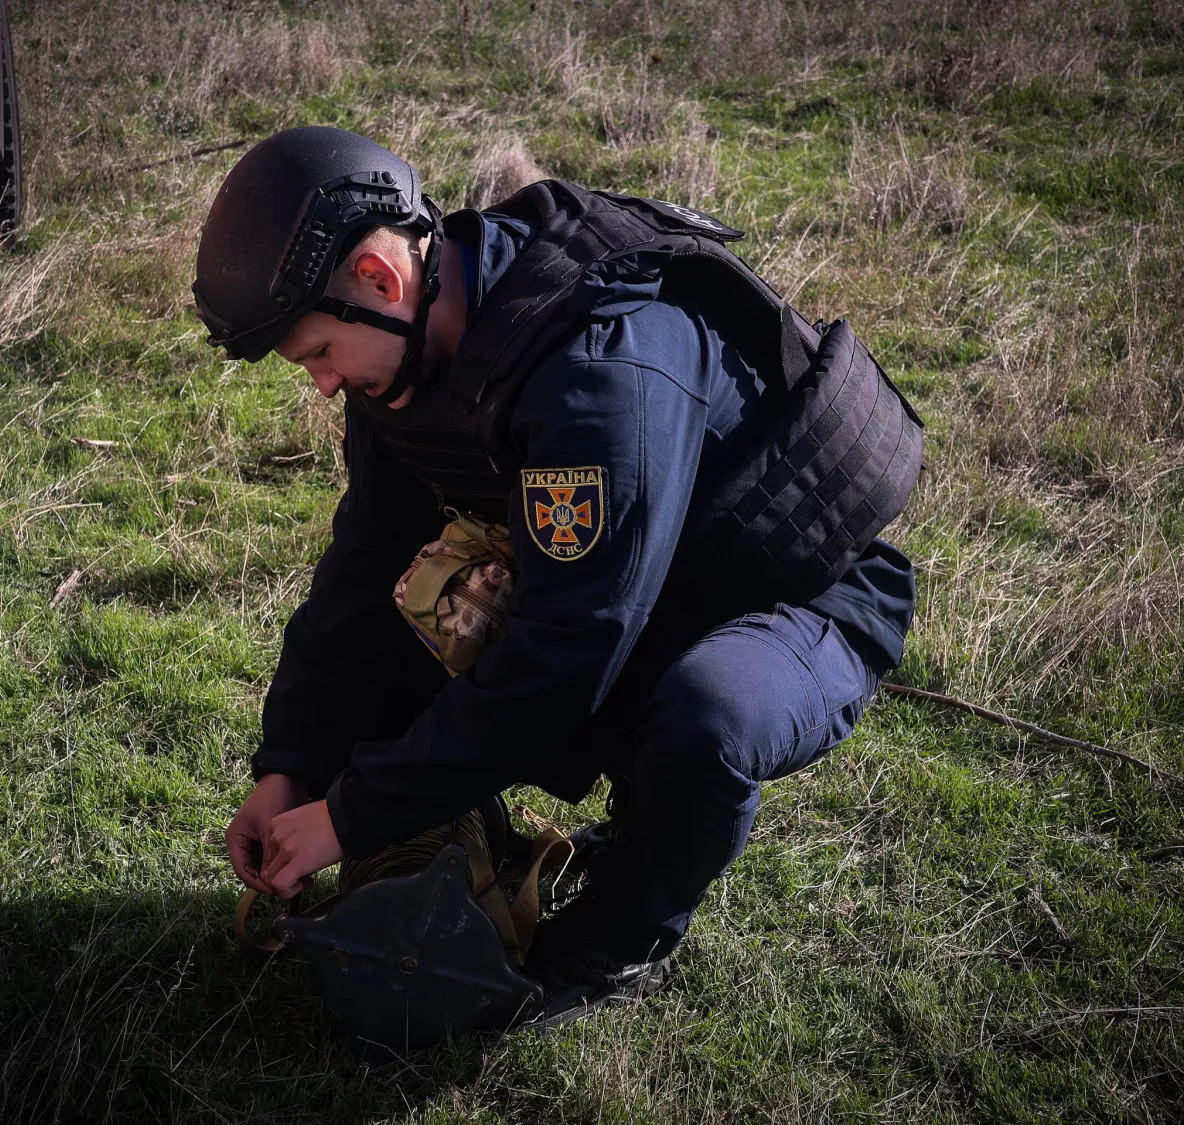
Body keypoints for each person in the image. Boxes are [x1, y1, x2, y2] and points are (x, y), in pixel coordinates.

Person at [197, 126, 917, 1016]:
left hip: (791, 598)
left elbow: (564, 656)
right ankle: (447, 842)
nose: (320, 386)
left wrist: (349, 817)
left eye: (316, 354)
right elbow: (362, 566)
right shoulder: (405, 353)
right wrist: (292, 769)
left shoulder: (597, 375)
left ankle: (620, 940)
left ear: (381, 282)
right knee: (408, 597)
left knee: (708, 717)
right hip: (629, 592)